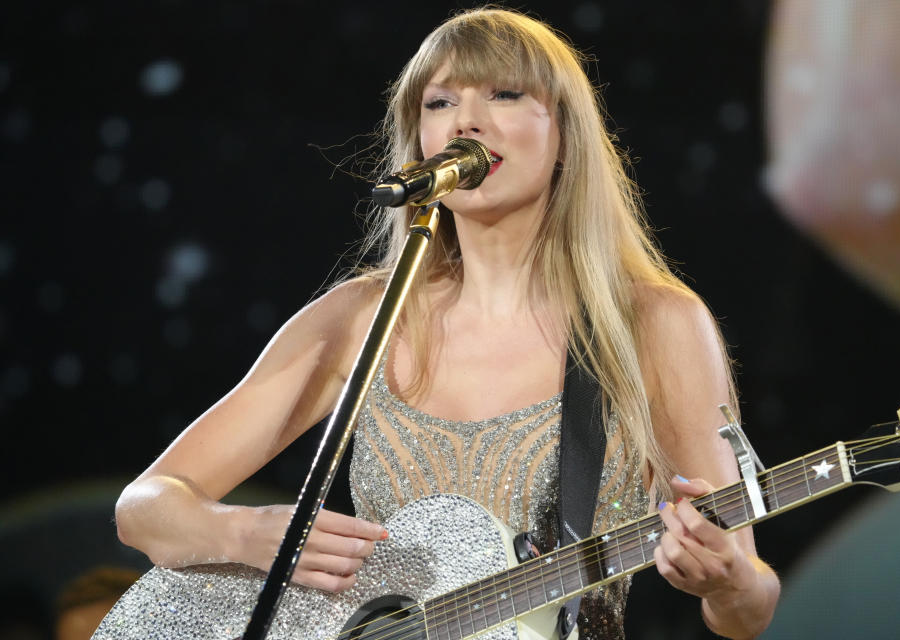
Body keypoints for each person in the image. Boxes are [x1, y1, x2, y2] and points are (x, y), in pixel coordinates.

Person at [115, 7, 780, 639]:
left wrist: (723, 583)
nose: (467, 121)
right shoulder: (360, 318)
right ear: (421, 144)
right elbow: (144, 508)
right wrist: (248, 533)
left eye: (504, 95)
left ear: (564, 135)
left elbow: (750, 603)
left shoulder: (652, 324)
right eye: (440, 102)